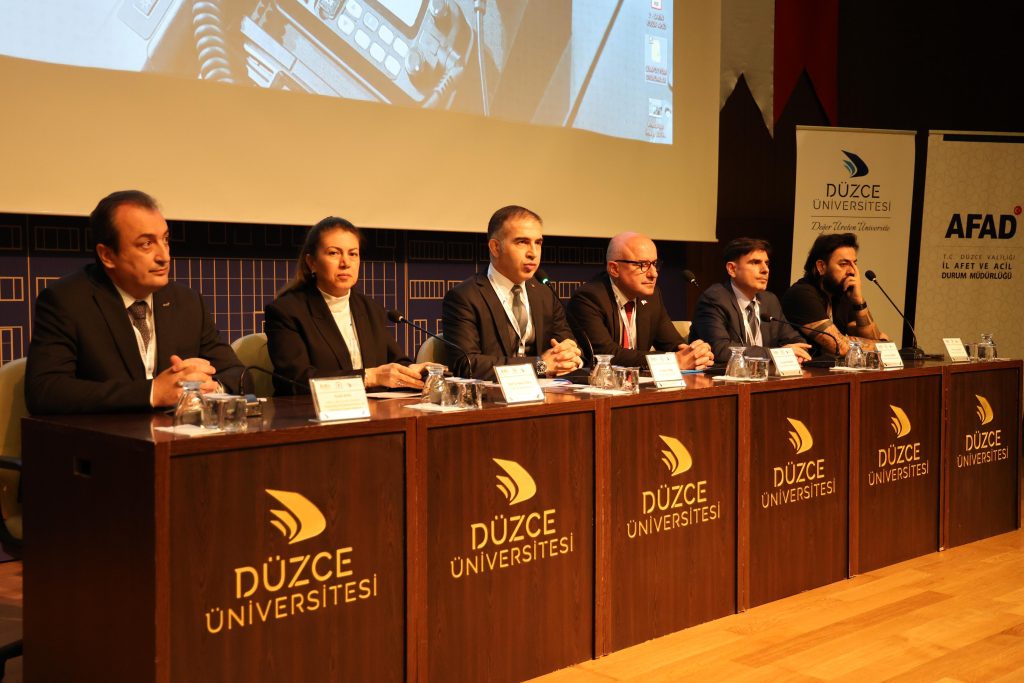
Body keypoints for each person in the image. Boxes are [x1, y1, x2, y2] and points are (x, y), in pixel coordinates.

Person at [25, 190, 243, 414]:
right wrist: (152, 393)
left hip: (177, 433)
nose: (164, 256)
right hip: (107, 434)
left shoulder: (187, 302)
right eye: (146, 244)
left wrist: (212, 388)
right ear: (107, 255)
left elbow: (239, 375)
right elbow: (45, 391)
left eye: (165, 240)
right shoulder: (67, 301)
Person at [265, 217, 429, 395]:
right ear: (312, 262)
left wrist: (416, 372)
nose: (346, 263)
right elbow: (296, 380)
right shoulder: (287, 311)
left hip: (372, 410)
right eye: (334, 253)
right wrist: (369, 377)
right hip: (311, 410)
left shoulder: (370, 308)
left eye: (353, 254)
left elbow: (394, 363)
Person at [442, 205, 582, 380]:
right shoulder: (465, 296)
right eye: (522, 242)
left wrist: (569, 355)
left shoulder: (544, 293)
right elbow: (466, 364)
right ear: (495, 247)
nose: (533, 253)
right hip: (492, 394)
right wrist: (539, 365)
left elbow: (567, 347)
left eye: (538, 243)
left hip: (544, 392)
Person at [566, 232, 714, 370]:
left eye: (654, 264)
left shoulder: (652, 296)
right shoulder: (589, 298)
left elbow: (672, 344)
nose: (653, 274)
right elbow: (607, 355)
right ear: (614, 269)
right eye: (642, 265)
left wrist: (693, 353)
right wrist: (672, 361)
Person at [690, 237, 811, 363]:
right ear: (732, 269)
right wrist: (777, 354)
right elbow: (721, 350)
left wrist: (799, 353)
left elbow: (796, 341)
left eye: (767, 263)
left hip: (765, 374)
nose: (765, 270)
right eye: (755, 262)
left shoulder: (769, 300)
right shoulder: (714, 300)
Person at [781, 232, 889, 356]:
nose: (852, 271)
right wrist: (882, 345)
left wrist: (859, 301)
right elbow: (840, 346)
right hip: (803, 367)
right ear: (821, 267)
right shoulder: (802, 294)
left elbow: (871, 338)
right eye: (844, 264)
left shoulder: (842, 293)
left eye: (854, 263)